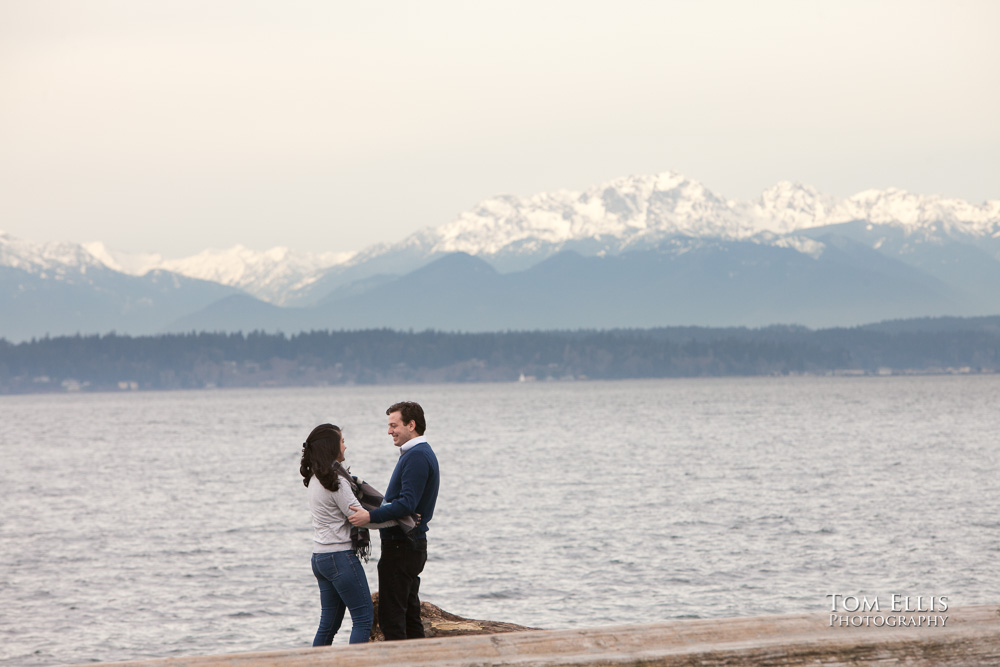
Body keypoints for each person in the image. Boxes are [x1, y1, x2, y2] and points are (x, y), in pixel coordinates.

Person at [348, 401, 440, 640]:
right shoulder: (417, 454)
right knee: (409, 615)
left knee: (392, 618)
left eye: (393, 425)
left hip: (402, 546)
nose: (389, 431)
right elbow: (404, 503)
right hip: (409, 545)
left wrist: (370, 516)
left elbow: (407, 504)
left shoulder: (417, 456)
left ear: (411, 424)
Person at [300, 423, 389, 645]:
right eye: (342, 441)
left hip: (320, 557)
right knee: (363, 619)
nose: (345, 447)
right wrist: (395, 520)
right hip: (339, 557)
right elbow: (359, 517)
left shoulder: (314, 479)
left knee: (328, 625)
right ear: (332, 447)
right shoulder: (336, 482)